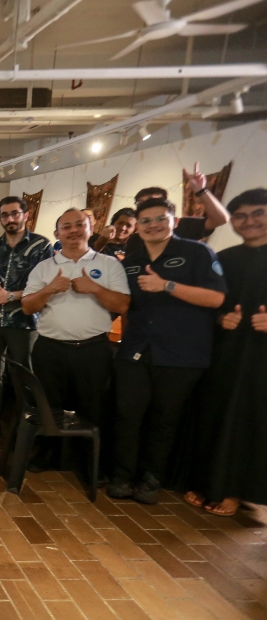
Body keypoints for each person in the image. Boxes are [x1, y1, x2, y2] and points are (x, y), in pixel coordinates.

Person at [110, 197, 226, 504]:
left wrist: (167, 286)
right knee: (127, 415)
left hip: (181, 355)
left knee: (165, 420)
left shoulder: (197, 252)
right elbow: (122, 305)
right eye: (145, 221)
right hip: (135, 350)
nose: (152, 225)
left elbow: (216, 299)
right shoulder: (131, 261)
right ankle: (122, 476)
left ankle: (151, 479)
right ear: (138, 226)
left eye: (160, 218)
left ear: (174, 221)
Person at [176, 189, 267, 516]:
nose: (250, 221)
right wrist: (220, 318)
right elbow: (209, 303)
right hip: (226, 353)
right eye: (241, 216)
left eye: (258, 213)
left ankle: (240, 491)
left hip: (261, 360)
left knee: (253, 422)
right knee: (217, 415)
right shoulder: (225, 259)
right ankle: (213, 483)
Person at [20, 209, 130, 470]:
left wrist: (94, 288)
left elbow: (123, 304)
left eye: (79, 225)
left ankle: (89, 461)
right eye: (66, 227)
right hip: (50, 348)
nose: (73, 231)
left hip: (92, 350)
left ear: (91, 229)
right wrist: (50, 289)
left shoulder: (108, 264)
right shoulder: (44, 267)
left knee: (93, 406)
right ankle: (49, 453)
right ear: (57, 233)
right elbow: (27, 307)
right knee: (49, 406)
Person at [0, 196, 53, 441]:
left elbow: (49, 287)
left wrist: (12, 296)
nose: (10, 219)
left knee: (24, 379)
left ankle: (23, 431)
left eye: (15, 213)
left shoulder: (41, 246)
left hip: (25, 323)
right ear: (0, 219)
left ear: (25, 215)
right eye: (5, 215)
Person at [98, 164, 229, 255]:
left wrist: (201, 191)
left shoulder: (183, 226)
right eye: (141, 203)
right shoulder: (136, 240)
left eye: (153, 201)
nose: (148, 206)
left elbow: (220, 219)